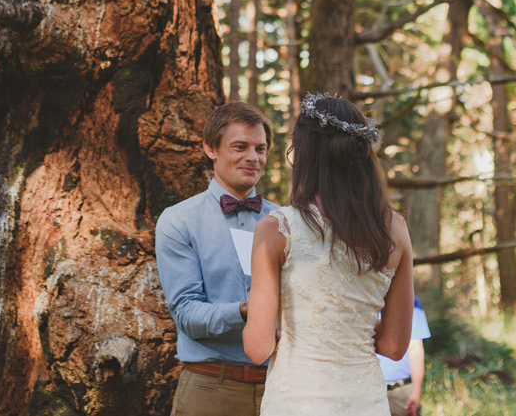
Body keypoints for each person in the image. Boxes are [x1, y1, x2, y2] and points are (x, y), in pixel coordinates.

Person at [243, 93, 415, 416]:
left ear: (306, 154)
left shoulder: (277, 228)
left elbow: (257, 348)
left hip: (296, 402)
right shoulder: (395, 228)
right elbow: (394, 346)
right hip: (364, 402)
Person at [156, 101, 278, 416]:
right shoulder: (178, 220)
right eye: (240, 147)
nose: (253, 157)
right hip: (211, 389)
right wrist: (246, 311)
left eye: (260, 149)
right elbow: (185, 313)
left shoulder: (286, 222)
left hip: (282, 388)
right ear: (211, 148)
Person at [379, 295, 430, 416]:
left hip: (402, 392)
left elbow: (416, 349)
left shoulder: (411, 301)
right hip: (367, 390)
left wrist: (416, 394)